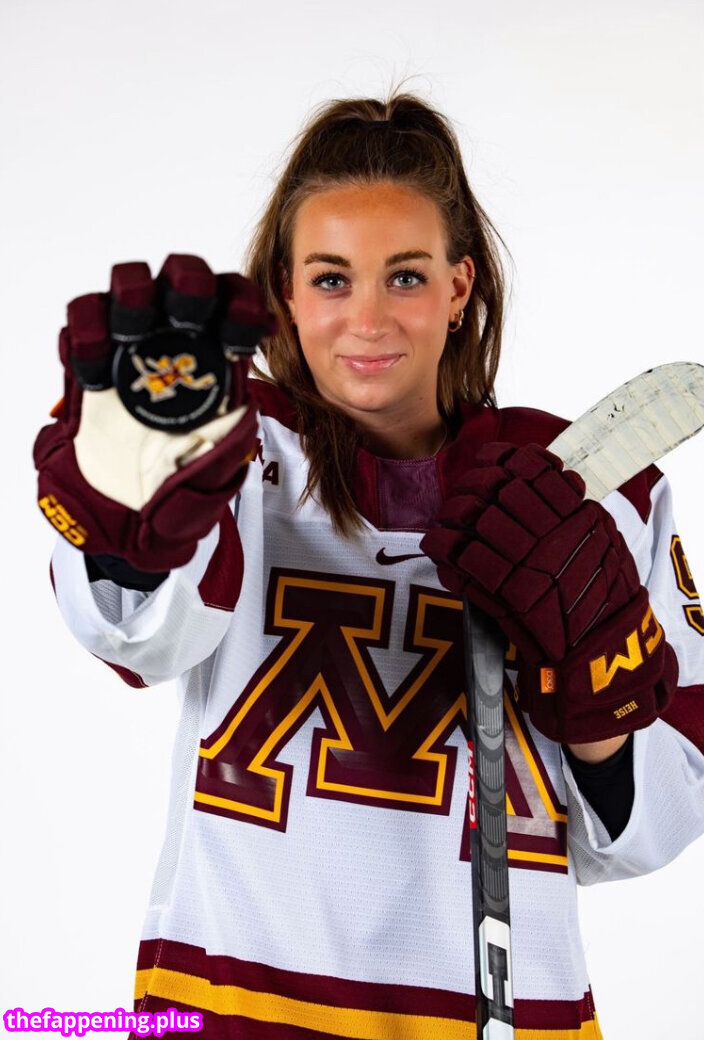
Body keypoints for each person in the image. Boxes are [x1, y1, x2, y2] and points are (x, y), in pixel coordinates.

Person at [34, 92, 704, 1039]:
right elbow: (140, 640)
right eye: (332, 279)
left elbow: (645, 834)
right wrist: (123, 524)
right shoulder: (231, 447)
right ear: (285, 292)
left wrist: (600, 674)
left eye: (406, 277)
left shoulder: (594, 489)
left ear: (460, 287)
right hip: (232, 1010)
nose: (367, 319)